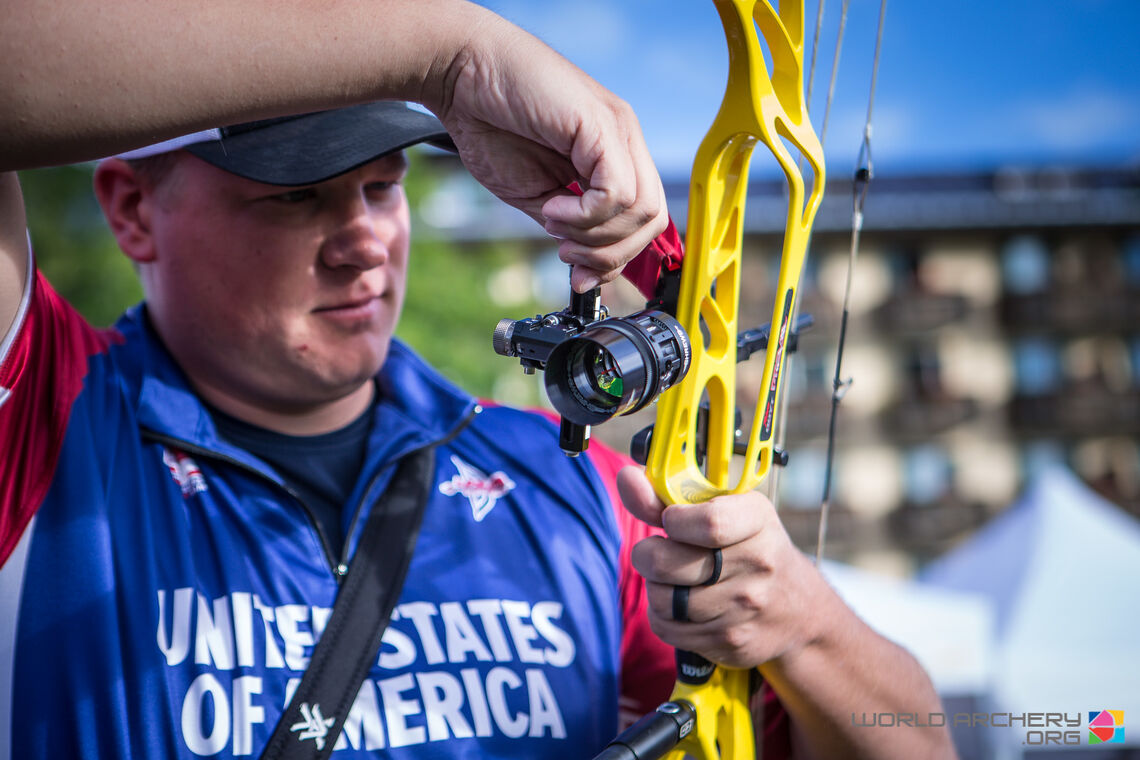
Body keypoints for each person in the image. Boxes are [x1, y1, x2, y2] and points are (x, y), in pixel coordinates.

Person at [0, 1, 955, 758]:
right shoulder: (42, 417)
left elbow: (917, 741)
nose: (364, 242)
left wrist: (802, 625)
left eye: (383, 186)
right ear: (132, 210)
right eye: (295, 196)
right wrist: (451, 54)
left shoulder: (569, 479)